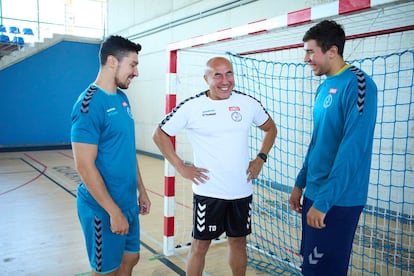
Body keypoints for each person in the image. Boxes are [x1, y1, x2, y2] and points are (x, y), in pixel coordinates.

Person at [153, 56, 277, 276]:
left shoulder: (248, 103)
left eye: (229, 73)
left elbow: (270, 128)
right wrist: (181, 167)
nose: (225, 80)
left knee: (238, 242)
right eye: (217, 75)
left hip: (241, 190)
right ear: (206, 78)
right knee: (200, 246)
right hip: (208, 192)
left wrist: (260, 158)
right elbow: (159, 134)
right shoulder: (192, 106)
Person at [289, 20, 378, 275]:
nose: (306, 58)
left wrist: (325, 201)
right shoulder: (323, 87)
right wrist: (300, 183)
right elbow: (317, 141)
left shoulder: (360, 85)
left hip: (338, 200)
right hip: (314, 195)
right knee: (309, 266)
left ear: (332, 50)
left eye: (310, 51)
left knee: (325, 271)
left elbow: (352, 151)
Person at [71, 35, 151, 276]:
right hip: (102, 208)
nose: (136, 72)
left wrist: (142, 189)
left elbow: (127, 149)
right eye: (133, 64)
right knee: (106, 271)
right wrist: (113, 211)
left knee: (131, 259)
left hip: (127, 202)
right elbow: (84, 166)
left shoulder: (122, 98)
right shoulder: (88, 104)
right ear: (112, 62)